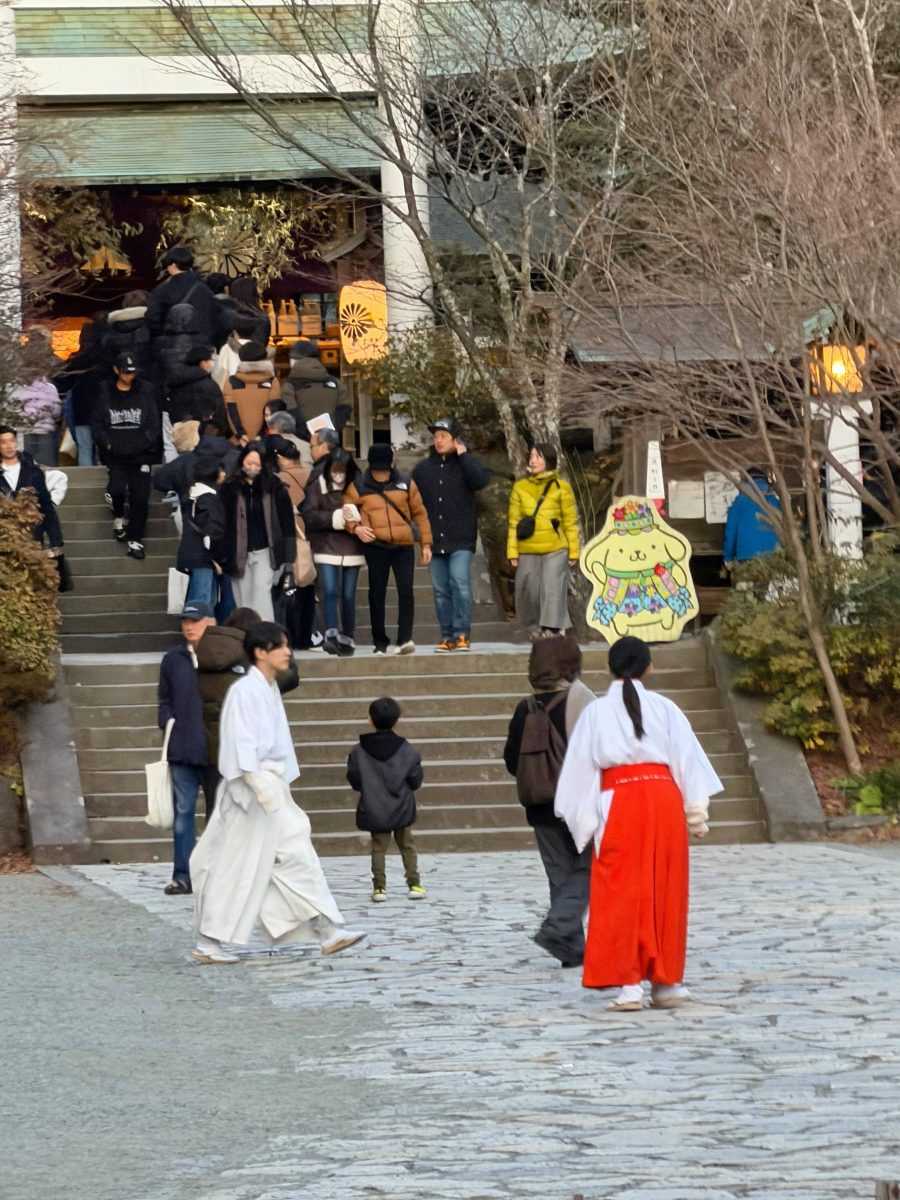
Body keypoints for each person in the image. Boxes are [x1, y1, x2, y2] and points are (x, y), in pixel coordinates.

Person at [554, 636, 723, 1012]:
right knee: (665, 889)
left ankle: (630, 985)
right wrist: (696, 815)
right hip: (663, 800)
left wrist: (585, 822)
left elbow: (580, 770)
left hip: (619, 802)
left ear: (609, 668)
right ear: (649, 667)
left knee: (620, 891)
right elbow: (687, 761)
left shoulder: (596, 713)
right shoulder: (665, 708)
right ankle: (666, 982)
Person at [190, 620, 366, 964]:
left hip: (270, 785)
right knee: (238, 865)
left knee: (292, 857)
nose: (288, 652)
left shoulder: (266, 688)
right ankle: (209, 940)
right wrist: (258, 787)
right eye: (280, 646)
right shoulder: (245, 691)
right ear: (261, 652)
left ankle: (327, 929)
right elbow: (242, 744)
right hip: (251, 789)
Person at [503, 636, 595, 968]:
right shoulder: (583, 702)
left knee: (559, 874)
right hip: (580, 801)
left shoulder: (524, 708)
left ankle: (571, 948)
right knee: (590, 866)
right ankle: (559, 927)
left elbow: (511, 759)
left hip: (540, 804)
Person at [344, 443, 433, 655]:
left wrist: (426, 544)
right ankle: (380, 642)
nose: (381, 473)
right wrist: (356, 528)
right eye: (377, 469)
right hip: (376, 545)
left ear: (391, 464)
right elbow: (347, 512)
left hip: (403, 545)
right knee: (377, 593)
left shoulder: (406, 483)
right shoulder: (358, 486)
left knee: (406, 591)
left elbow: (420, 513)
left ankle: (404, 639)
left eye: (384, 468)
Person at [411, 417, 491, 653]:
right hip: (434, 539)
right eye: (436, 436)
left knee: (460, 583)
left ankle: (462, 633)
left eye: (444, 436)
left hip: (461, 538)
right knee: (440, 591)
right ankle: (447, 635)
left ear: (455, 439)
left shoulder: (465, 465)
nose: (439, 441)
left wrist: (464, 456)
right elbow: (412, 502)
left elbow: (481, 480)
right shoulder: (423, 469)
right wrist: (421, 538)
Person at [157, 601, 219, 896]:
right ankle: (182, 875)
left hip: (215, 750)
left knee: (217, 815)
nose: (189, 626)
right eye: (185, 621)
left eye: (195, 621)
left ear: (210, 623)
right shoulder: (173, 659)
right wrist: (167, 722)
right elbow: (164, 698)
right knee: (183, 813)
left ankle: (216, 873)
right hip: (182, 749)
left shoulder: (221, 657)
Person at [347, 696, 426, 903]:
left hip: (374, 806)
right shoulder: (406, 749)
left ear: (370, 719)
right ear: (397, 720)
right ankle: (414, 884)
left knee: (378, 848)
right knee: (407, 845)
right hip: (402, 805)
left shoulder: (359, 750)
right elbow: (415, 778)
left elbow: (354, 778)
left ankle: (379, 888)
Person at [90, 352, 162, 560]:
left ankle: (135, 539)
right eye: (125, 372)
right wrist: (108, 444)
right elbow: (97, 423)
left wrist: (145, 444)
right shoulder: (104, 393)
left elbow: (153, 423)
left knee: (140, 498)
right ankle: (119, 515)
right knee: (117, 489)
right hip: (115, 456)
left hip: (141, 456)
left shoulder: (146, 392)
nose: (129, 376)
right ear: (116, 370)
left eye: (132, 372)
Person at [507, 443, 580, 637]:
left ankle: (553, 629)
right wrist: (512, 551)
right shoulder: (520, 487)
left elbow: (570, 522)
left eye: (538, 457)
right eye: (531, 456)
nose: (533, 461)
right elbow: (513, 522)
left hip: (556, 547)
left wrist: (574, 551)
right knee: (528, 589)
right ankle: (535, 627)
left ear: (548, 460)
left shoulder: (562, 487)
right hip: (527, 546)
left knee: (552, 587)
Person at [300, 436, 364, 657]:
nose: (338, 475)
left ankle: (347, 635)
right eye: (335, 470)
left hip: (353, 546)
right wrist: (336, 517)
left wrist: (355, 518)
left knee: (348, 594)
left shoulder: (358, 485)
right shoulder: (318, 484)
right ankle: (331, 633)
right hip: (326, 545)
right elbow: (309, 513)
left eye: (342, 470)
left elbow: (369, 509)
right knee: (329, 590)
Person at [221, 441, 296, 620]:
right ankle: (246, 631)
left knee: (262, 591)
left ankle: (265, 631)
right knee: (243, 597)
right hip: (238, 549)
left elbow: (287, 522)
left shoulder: (275, 486)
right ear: (242, 461)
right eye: (249, 463)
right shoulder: (230, 487)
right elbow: (223, 520)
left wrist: (289, 555)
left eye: (257, 464)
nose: (252, 468)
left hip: (266, 549)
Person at [0, 425, 65, 551]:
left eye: (12, 441)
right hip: (4, 538)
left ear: (16, 443)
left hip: (32, 537)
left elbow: (46, 505)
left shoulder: (33, 471)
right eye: (3, 442)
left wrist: (55, 539)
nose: (9, 446)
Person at [146, 247, 223, 351]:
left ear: (173, 265)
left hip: (173, 348)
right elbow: (216, 317)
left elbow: (152, 319)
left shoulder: (162, 290)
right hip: (202, 348)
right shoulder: (205, 289)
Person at [177, 456, 227, 611]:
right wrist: (220, 558)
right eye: (221, 470)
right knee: (203, 602)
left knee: (201, 602)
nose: (224, 474)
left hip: (191, 554)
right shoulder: (208, 498)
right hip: (204, 557)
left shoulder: (191, 495)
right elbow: (211, 532)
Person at [223, 341, 280, 443]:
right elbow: (274, 411)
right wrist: (261, 435)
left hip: (238, 441)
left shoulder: (231, 382)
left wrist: (241, 434)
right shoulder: (272, 382)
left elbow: (231, 410)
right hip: (265, 441)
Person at [723, 469, 781, 566]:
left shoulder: (739, 502)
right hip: (774, 555)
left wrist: (728, 558)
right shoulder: (775, 501)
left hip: (746, 556)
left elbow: (731, 531)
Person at [280, 340, 344, 429]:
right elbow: (344, 408)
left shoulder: (289, 386)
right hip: (328, 432)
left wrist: (306, 431)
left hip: (302, 434)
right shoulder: (334, 382)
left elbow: (291, 411)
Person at [165, 345, 228, 432]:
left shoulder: (175, 382)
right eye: (211, 360)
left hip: (179, 434)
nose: (212, 363)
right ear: (203, 363)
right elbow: (219, 413)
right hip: (203, 435)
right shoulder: (209, 385)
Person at [12, 373, 63, 466]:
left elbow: (15, 410)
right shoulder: (49, 388)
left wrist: (27, 418)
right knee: (47, 465)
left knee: (29, 465)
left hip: (27, 431)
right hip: (45, 430)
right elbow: (56, 411)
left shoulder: (20, 389)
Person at [102, 290, 152, 375]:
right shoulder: (155, 326)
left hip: (117, 377)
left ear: (124, 304)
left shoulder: (109, 329)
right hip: (150, 376)